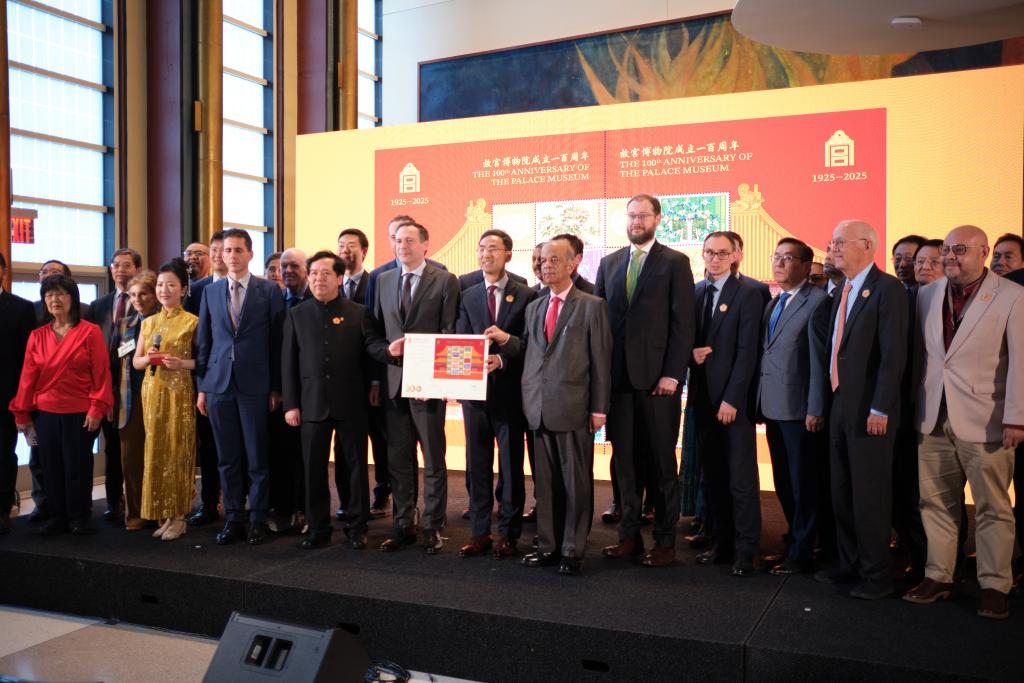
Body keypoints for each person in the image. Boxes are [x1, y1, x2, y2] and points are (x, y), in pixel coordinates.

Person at [904, 225, 1024, 619]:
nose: (950, 257)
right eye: (947, 250)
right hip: (932, 415)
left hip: (988, 419)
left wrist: (1016, 418)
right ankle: (938, 576)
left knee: (993, 507)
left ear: (983, 252)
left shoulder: (1013, 296)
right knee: (934, 502)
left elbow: (1021, 363)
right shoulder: (927, 294)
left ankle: (994, 584)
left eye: (960, 250)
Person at [500, 237, 611, 576]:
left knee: (575, 484)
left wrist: (599, 409)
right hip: (537, 408)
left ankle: (573, 550)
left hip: (574, 408)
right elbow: (532, 353)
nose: (545, 265)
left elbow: (601, 361)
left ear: (573, 263)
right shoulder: (535, 307)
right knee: (545, 486)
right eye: (542, 260)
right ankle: (548, 546)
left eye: (553, 260)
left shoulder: (592, 305)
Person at [596, 194, 695, 568]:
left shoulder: (675, 262)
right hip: (618, 382)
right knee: (624, 465)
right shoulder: (609, 263)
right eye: (631, 216)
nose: (636, 222)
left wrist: (673, 373)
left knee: (661, 466)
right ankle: (629, 538)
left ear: (657, 219)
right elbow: (600, 326)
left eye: (643, 216)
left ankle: (666, 542)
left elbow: (683, 324)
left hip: (658, 383)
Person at [814, 220, 907, 600]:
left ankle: (876, 575)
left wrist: (880, 407)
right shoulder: (843, 289)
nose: (833, 249)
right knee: (841, 491)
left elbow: (893, 355)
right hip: (840, 404)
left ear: (867, 245)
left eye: (840, 242)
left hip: (870, 410)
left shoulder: (888, 289)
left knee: (869, 495)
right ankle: (849, 563)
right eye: (832, 242)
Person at [282, 251, 389, 550]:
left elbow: (370, 352)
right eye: (314, 273)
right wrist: (291, 404)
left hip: (351, 401)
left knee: (355, 466)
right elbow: (288, 363)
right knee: (313, 468)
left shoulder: (358, 312)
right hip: (311, 403)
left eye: (326, 273)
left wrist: (379, 373)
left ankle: (357, 525)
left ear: (340, 278)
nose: (319, 278)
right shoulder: (297, 314)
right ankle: (318, 527)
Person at [371, 222, 460, 554]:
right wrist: (386, 352)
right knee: (399, 459)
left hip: (428, 386)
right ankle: (403, 523)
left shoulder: (445, 280)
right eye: (397, 240)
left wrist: (439, 379)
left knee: (433, 459)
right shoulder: (383, 280)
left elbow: (450, 332)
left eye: (409, 240)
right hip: (395, 384)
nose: (402, 245)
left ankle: (433, 526)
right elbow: (374, 333)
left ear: (425, 245)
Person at [196, 229, 285, 546]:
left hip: (255, 385)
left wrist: (276, 387)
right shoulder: (210, 292)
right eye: (227, 250)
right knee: (227, 457)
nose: (231, 255)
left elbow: (277, 343)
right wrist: (203, 387)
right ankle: (234, 517)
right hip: (218, 385)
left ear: (250, 254)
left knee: (257, 456)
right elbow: (204, 342)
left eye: (237, 250)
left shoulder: (269, 291)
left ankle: (257, 517)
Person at [455, 229, 536, 559]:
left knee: (511, 466)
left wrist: (502, 356)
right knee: (477, 466)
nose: (486, 254)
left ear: (508, 255)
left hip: (510, 394)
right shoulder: (467, 295)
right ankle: (479, 533)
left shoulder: (526, 294)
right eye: (481, 248)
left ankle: (508, 534)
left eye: (493, 248)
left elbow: (530, 344)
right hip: (474, 395)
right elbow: (459, 339)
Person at [10, 274, 112, 536]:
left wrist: (97, 407)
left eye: (60, 294)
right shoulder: (37, 335)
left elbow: (101, 374)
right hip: (45, 413)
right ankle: (57, 516)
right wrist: (22, 414)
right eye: (49, 295)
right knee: (50, 466)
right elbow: (27, 378)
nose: (54, 299)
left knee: (77, 466)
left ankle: (79, 516)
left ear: (72, 298)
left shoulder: (90, 331)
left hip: (80, 412)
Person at [689, 232, 763, 577]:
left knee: (740, 481)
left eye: (721, 253)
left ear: (735, 255)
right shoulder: (697, 292)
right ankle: (722, 544)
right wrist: (690, 355)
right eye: (709, 253)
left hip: (733, 404)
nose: (714, 259)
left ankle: (747, 550)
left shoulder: (748, 294)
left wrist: (732, 398)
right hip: (703, 401)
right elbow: (688, 342)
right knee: (714, 477)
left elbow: (748, 353)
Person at [757, 238, 829, 575]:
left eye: (788, 258)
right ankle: (795, 542)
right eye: (777, 257)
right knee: (784, 482)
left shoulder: (818, 302)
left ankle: (803, 553)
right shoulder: (775, 302)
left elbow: (819, 362)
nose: (780, 263)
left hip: (801, 410)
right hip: (773, 405)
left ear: (805, 265)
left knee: (804, 485)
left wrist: (816, 407)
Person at [133, 259, 198, 541]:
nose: (164, 290)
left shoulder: (192, 321)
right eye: (160, 285)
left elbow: (203, 361)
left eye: (171, 285)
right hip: (152, 391)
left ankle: (179, 516)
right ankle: (164, 514)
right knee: (156, 451)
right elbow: (136, 361)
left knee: (177, 450)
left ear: (183, 289)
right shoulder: (148, 322)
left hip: (178, 392)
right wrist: (149, 358)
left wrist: (181, 363)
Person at [336, 228, 389, 517]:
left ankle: (382, 493)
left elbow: (380, 334)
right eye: (341, 245)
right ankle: (348, 501)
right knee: (345, 445)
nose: (345, 250)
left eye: (351, 245)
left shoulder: (376, 284)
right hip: (342, 382)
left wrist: (376, 380)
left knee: (379, 439)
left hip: (371, 377)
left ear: (364, 251)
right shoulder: (332, 285)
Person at [89, 247, 142, 523]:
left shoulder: (145, 302)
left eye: (126, 265)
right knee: (111, 449)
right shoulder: (98, 305)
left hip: (134, 384)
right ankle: (113, 501)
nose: (120, 270)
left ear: (137, 269)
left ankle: (137, 502)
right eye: (116, 265)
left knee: (132, 449)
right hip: (104, 385)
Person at [268, 248, 311, 533]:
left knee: (303, 455)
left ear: (306, 269)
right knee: (279, 452)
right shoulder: (274, 302)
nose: (287, 271)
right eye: (284, 267)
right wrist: (275, 387)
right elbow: (272, 349)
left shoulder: (315, 301)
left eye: (294, 266)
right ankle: (282, 508)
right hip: (278, 392)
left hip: (308, 391)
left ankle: (303, 508)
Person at [185, 230, 225, 527]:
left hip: (240, 381)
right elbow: (194, 340)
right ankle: (209, 503)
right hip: (206, 379)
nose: (221, 254)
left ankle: (239, 504)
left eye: (227, 249)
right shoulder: (197, 291)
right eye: (216, 250)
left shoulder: (256, 289)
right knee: (209, 447)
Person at [114, 270, 159, 531]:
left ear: (155, 294)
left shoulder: (166, 321)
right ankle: (135, 513)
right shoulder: (125, 324)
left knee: (158, 457)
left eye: (143, 293)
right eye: (132, 295)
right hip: (129, 398)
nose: (138, 299)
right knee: (131, 459)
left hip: (159, 396)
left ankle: (159, 512)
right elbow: (116, 360)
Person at [0, 253, 36, 533]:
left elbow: (28, 360)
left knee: (3, 455)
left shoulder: (21, 308)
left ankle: (2, 511)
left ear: (3, 272)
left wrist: (22, 400)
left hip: (6, 397)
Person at [724, 230, 771, 307]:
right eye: (723, 252)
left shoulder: (760, 290)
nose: (729, 257)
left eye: (734, 250)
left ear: (741, 255)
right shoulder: (702, 289)